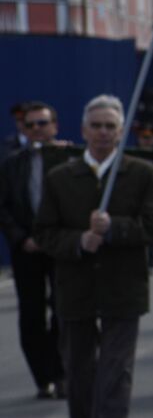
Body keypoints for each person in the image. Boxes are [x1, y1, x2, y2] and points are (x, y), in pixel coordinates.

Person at [34, 95, 153, 418]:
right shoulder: (61, 178)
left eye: (111, 126)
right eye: (97, 126)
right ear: (83, 130)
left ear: (121, 131)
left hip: (123, 287)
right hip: (76, 287)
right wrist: (79, 241)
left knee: (115, 367)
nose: (103, 133)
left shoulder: (142, 173)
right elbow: (44, 233)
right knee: (78, 368)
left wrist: (115, 230)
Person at [0, 101, 69, 399]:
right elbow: (3, 207)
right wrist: (20, 238)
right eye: (31, 125)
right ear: (23, 129)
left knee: (65, 310)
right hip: (27, 246)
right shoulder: (13, 163)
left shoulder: (71, 160)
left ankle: (61, 370)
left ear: (55, 126)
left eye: (43, 123)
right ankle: (42, 377)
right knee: (31, 314)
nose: (38, 129)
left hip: (62, 247)